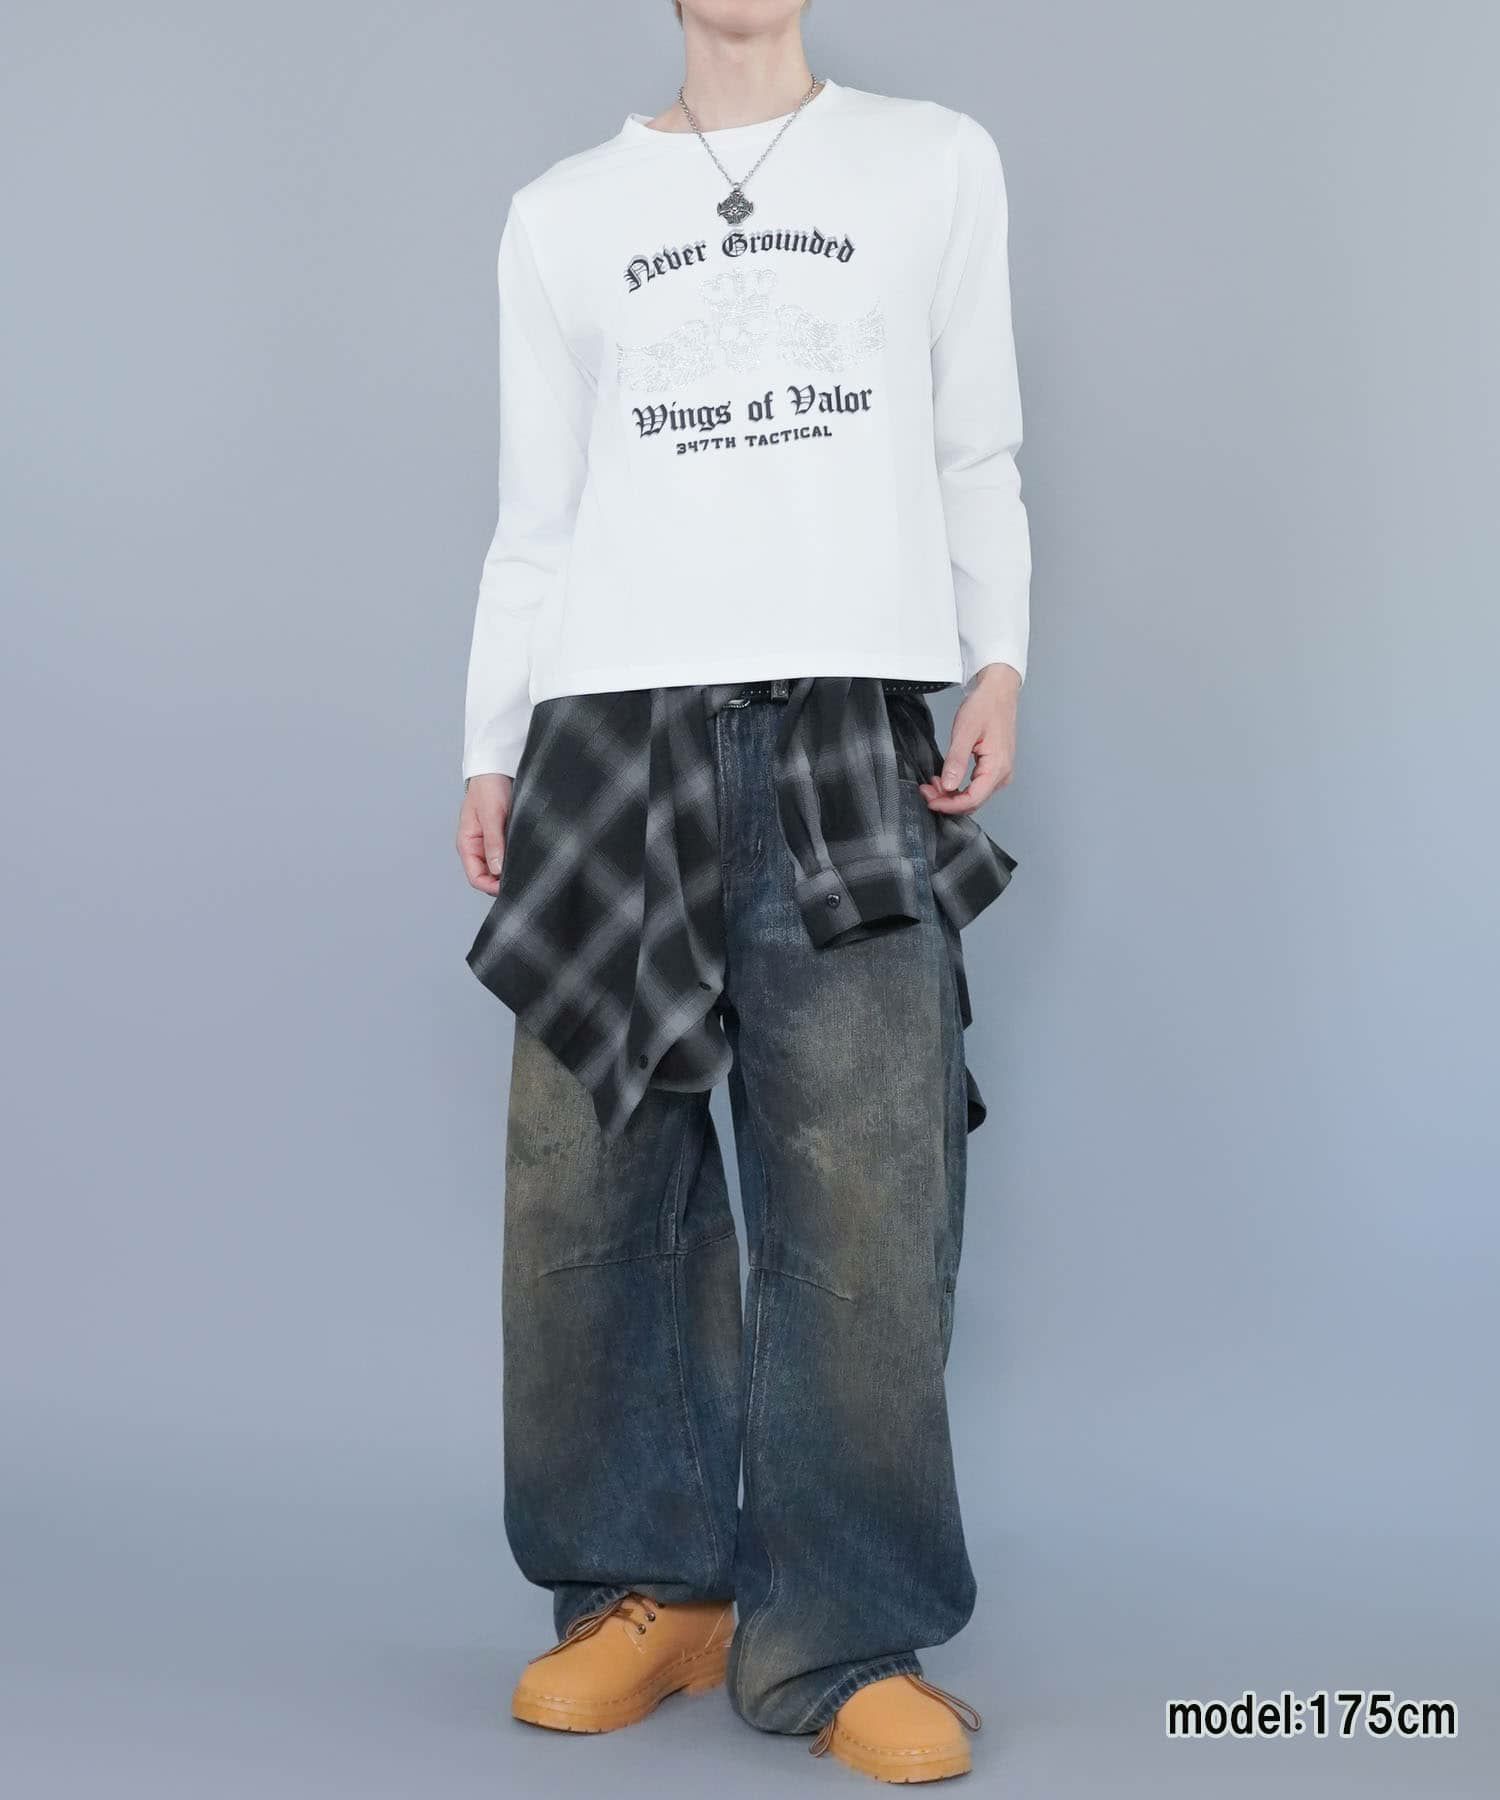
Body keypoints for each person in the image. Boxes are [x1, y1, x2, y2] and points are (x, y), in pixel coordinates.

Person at [455, 0, 1030, 1782]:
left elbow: (974, 444)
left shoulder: (932, 162)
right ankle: (652, 1593)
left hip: (847, 715)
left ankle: (844, 1632)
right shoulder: (560, 213)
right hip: (606, 732)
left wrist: (1000, 655)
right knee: (586, 1191)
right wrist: (488, 745)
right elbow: (539, 513)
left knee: (863, 1197)